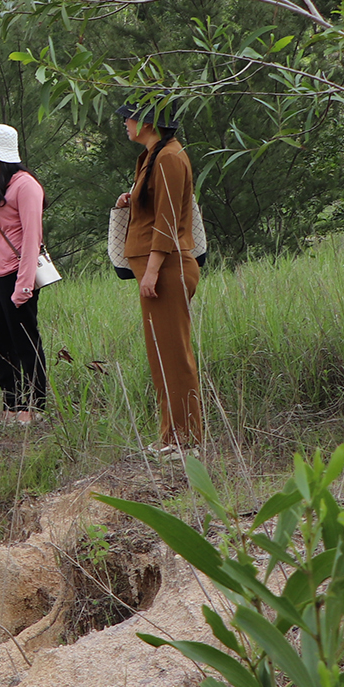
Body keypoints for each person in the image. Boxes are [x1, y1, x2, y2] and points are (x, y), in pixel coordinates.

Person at [117, 102, 202, 450]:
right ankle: (170, 436)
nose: (125, 122)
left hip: (166, 269)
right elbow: (158, 206)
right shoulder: (154, 156)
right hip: (157, 269)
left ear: (148, 121)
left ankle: (185, 441)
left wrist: (151, 272)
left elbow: (167, 221)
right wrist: (132, 199)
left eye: (130, 116)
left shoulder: (168, 157)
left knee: (173, 357)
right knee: (160, 357)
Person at [0, 124, 50, 425]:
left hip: (15, 276)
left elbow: (32, 239)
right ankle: (11, 402)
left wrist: (24, 284)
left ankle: (35, 404)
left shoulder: (26, 186)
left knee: (24, 340)